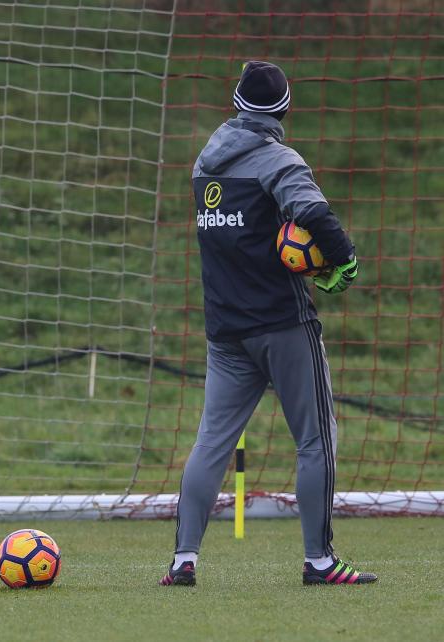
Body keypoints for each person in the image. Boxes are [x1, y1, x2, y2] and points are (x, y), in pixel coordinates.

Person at [160, 61, 376, 586]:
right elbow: (314, 215)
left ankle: (183, 560)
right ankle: (320, 562)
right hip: (282, 324)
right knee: (316, 440)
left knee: (211, 442)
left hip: (225, 330)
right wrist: (341, 261)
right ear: (282, 110)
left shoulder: (203, 165)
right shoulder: (279, 160)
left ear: (236, 102)